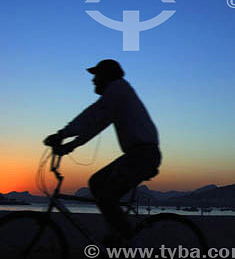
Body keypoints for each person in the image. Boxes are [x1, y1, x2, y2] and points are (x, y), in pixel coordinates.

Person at [44, 59, 161, 244]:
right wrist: (69, 146)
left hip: (142, 155)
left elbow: (92, 114)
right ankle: (117, 237)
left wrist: (62, 134)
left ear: (107, 76)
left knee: (107, 196)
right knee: (97, 182)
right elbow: (95, 125)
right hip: (139, 154)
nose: (93, 80)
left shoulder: (117, 89)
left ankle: (126, 244)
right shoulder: (117, 95)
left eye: (96, 75)